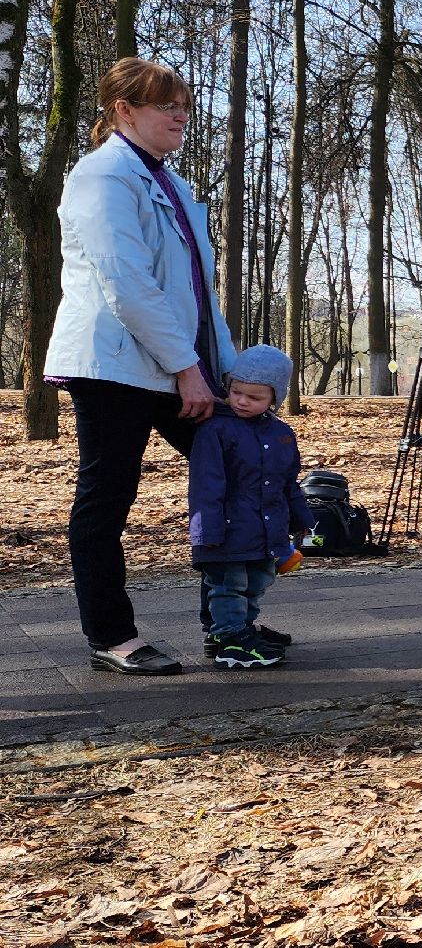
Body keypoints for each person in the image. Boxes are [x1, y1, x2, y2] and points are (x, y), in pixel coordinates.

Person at [48, 57, 240, 677]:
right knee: (108, 496)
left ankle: (231, 619)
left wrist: (222, 368)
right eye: (165, 105)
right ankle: (111, 635)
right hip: (112, 364)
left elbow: (195, 290)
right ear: (123, 111)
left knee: (234, 464)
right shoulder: (101, 178)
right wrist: (187, 368)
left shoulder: (170, 182)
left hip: (169, 361)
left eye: (183, 104)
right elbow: (125, 285)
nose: (180, 114)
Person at [186, 345, 311, 669]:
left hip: (266, 529)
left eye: (254, 397)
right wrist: (206, 532)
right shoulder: (215, 429)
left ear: (274, 399)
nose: (242, 401)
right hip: (227, 529)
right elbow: (206, 485)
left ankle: (241, 629)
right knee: (228, 586)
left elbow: (288, 483)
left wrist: (301, 519)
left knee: (256, 583)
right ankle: (229, 640)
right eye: (236, 391)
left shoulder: (282, 434)